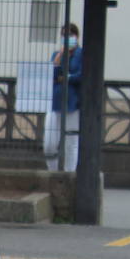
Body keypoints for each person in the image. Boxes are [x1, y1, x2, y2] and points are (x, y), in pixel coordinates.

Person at [44, 23, 82, 172]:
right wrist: (58, 58)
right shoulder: (57, 54)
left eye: (70, 35)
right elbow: (51, 75)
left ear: (76, 37)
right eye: (64, 35)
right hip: (54, 102)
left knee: (71, 142)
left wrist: (66, 77)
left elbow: (80, 75)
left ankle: (69, 173)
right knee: (49, 144)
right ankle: (53, 172)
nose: (67, 39)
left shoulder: (80, 54)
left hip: (72, 103)